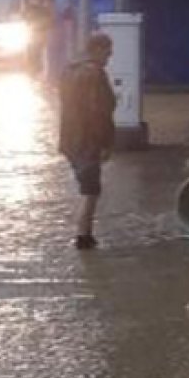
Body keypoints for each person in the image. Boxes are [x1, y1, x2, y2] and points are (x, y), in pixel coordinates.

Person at [59, 33, 117, 250]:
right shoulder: (94, 74)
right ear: (98, 50)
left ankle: (84, 232)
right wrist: (105, 143)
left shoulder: (68, 70)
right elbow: (98, 112)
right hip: (88, 138)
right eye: (108, 52)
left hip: (70, 138)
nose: (109, 57)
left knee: (86, 185)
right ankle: (83, 235)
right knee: (91, 189)